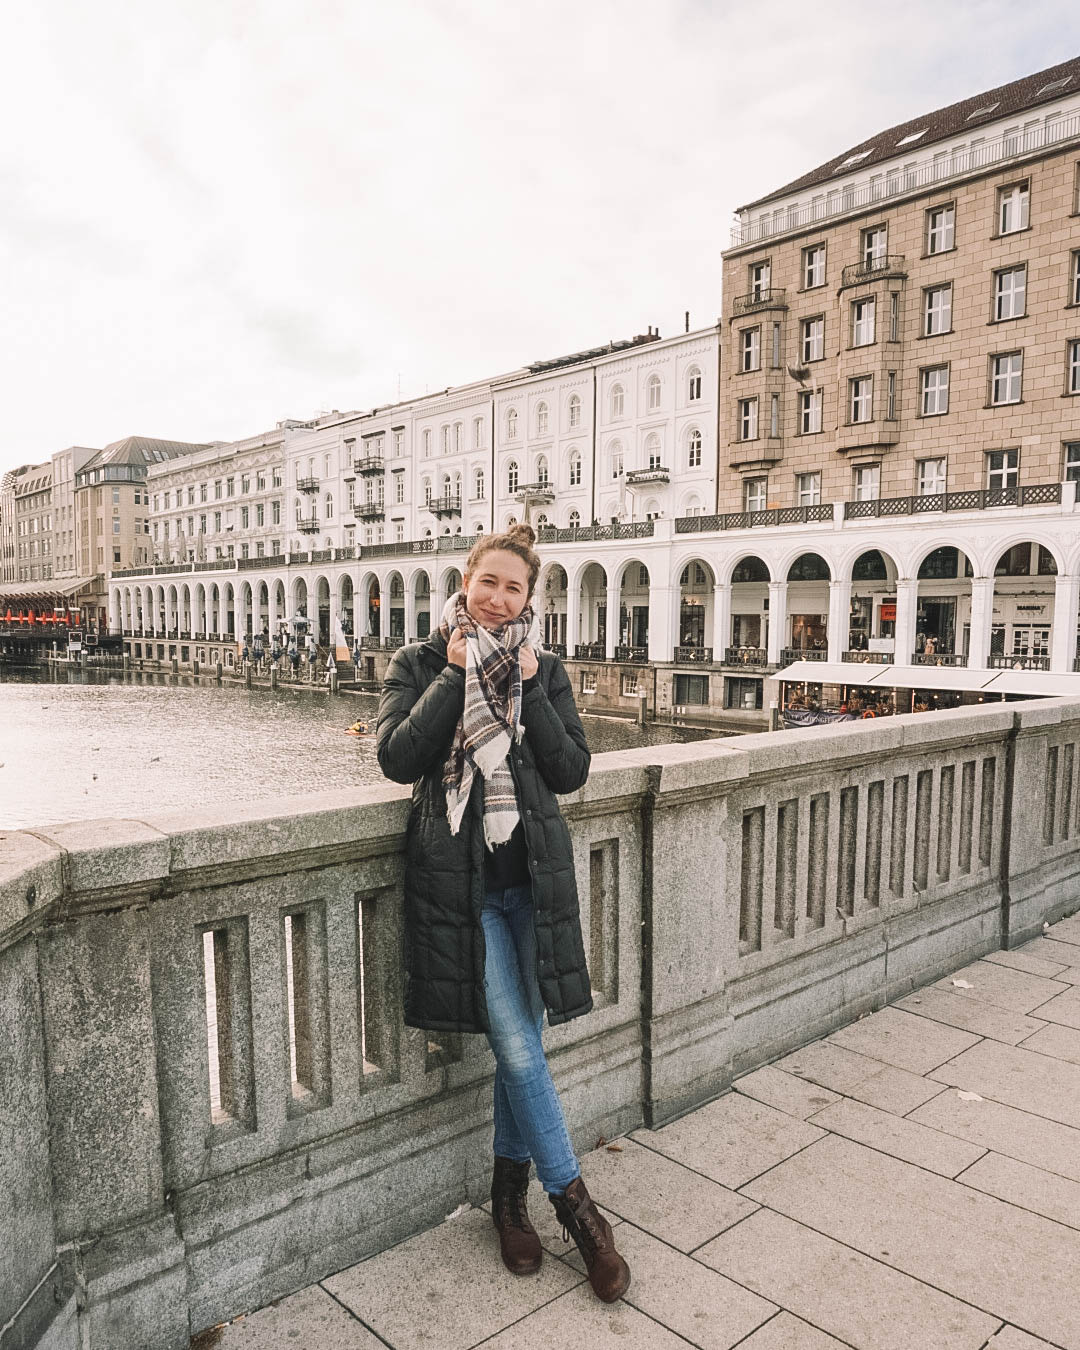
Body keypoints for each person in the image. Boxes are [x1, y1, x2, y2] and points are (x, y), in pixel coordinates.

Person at [377, 523, 630, 1303]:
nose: (497, 597)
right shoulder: (418, 661)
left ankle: (506, 1201)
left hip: (537, 889)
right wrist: (457, 676)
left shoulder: (544, 669)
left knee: (526, 1049)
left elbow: (570, 769)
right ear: (465, 580)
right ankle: (580, 1213)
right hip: (466, 895)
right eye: (487, 582)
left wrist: (526, 686)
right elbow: (395, 757)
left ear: (529, 597)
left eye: (513, 588)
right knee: (520, 1052)